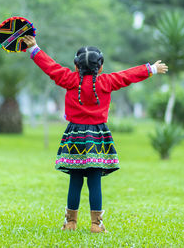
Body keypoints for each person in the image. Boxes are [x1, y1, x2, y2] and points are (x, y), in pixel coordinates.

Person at [23, 35, 168, 233]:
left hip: (75, 136)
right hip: (97, 138)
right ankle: (96, 225)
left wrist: (34, 49)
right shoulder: (106, 81)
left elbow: (51, 67)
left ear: (76, 66)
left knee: (75, 179)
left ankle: (70, 223)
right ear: (101, 67)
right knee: (94, 180)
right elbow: (127, 76)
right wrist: (151, 69)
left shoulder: (69, 79)